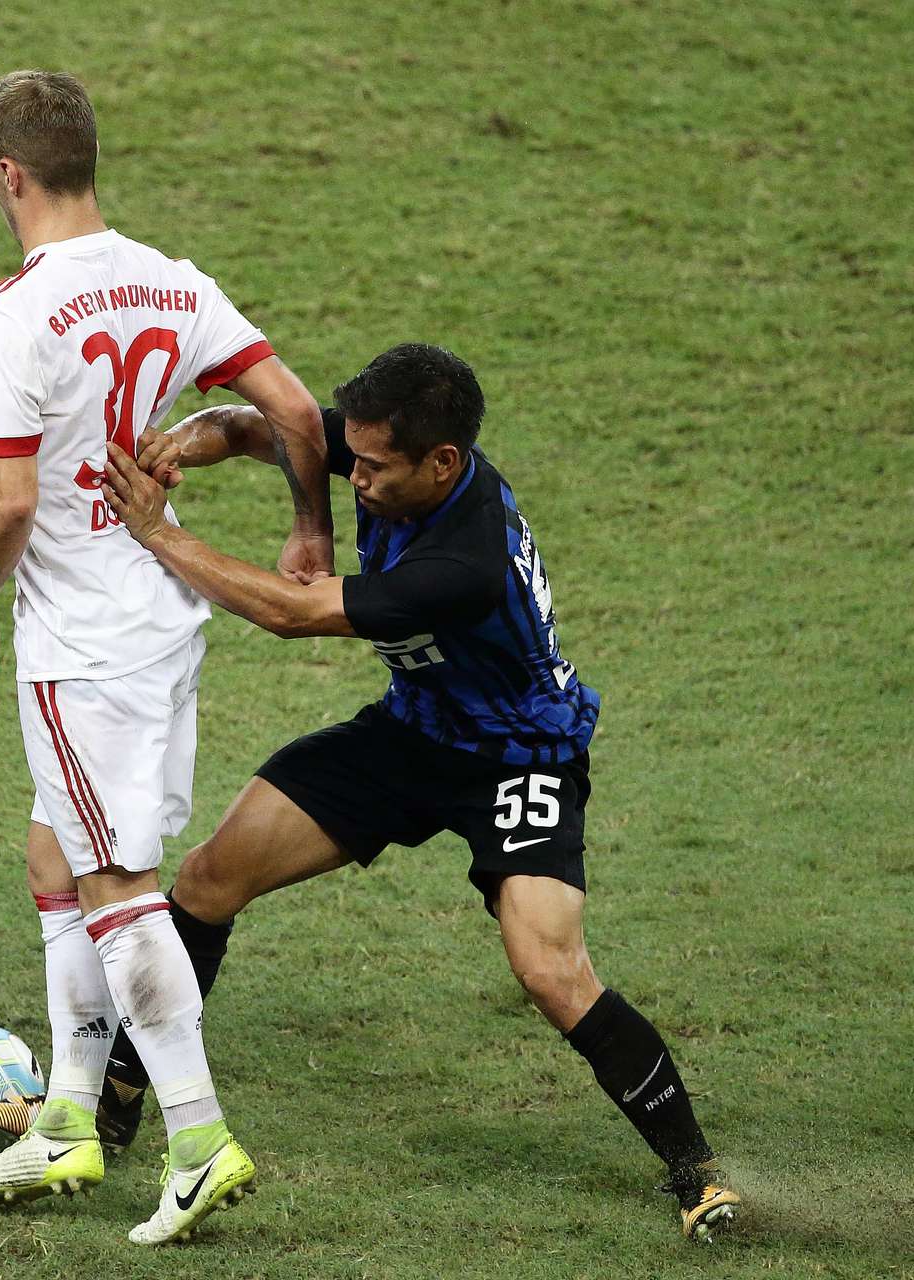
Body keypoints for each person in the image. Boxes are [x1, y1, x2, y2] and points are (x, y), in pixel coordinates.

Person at [95, 342, 742, 1243]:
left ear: (442, 461)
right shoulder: (386, 450)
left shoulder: (466, 563)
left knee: (550, 970)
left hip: (519, 757)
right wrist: (180, 445)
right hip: (413, 732)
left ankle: (696, 1171)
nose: (354, 478)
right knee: (208, 879)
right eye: (351, 457)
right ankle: (113, 1103)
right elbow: (254, 427)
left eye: (373, 466)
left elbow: (292, 612)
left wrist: (159, 532)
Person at [0, 70, 335, 1246]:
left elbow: (12, 501)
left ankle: (199, 1137)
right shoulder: (174, 279)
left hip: (82, 645)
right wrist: (312, 531)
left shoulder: (4, 315)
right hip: (166, 624)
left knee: (116, 886)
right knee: (53, 850)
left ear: (6, 173)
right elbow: (298, 414)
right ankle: (68, 1116)